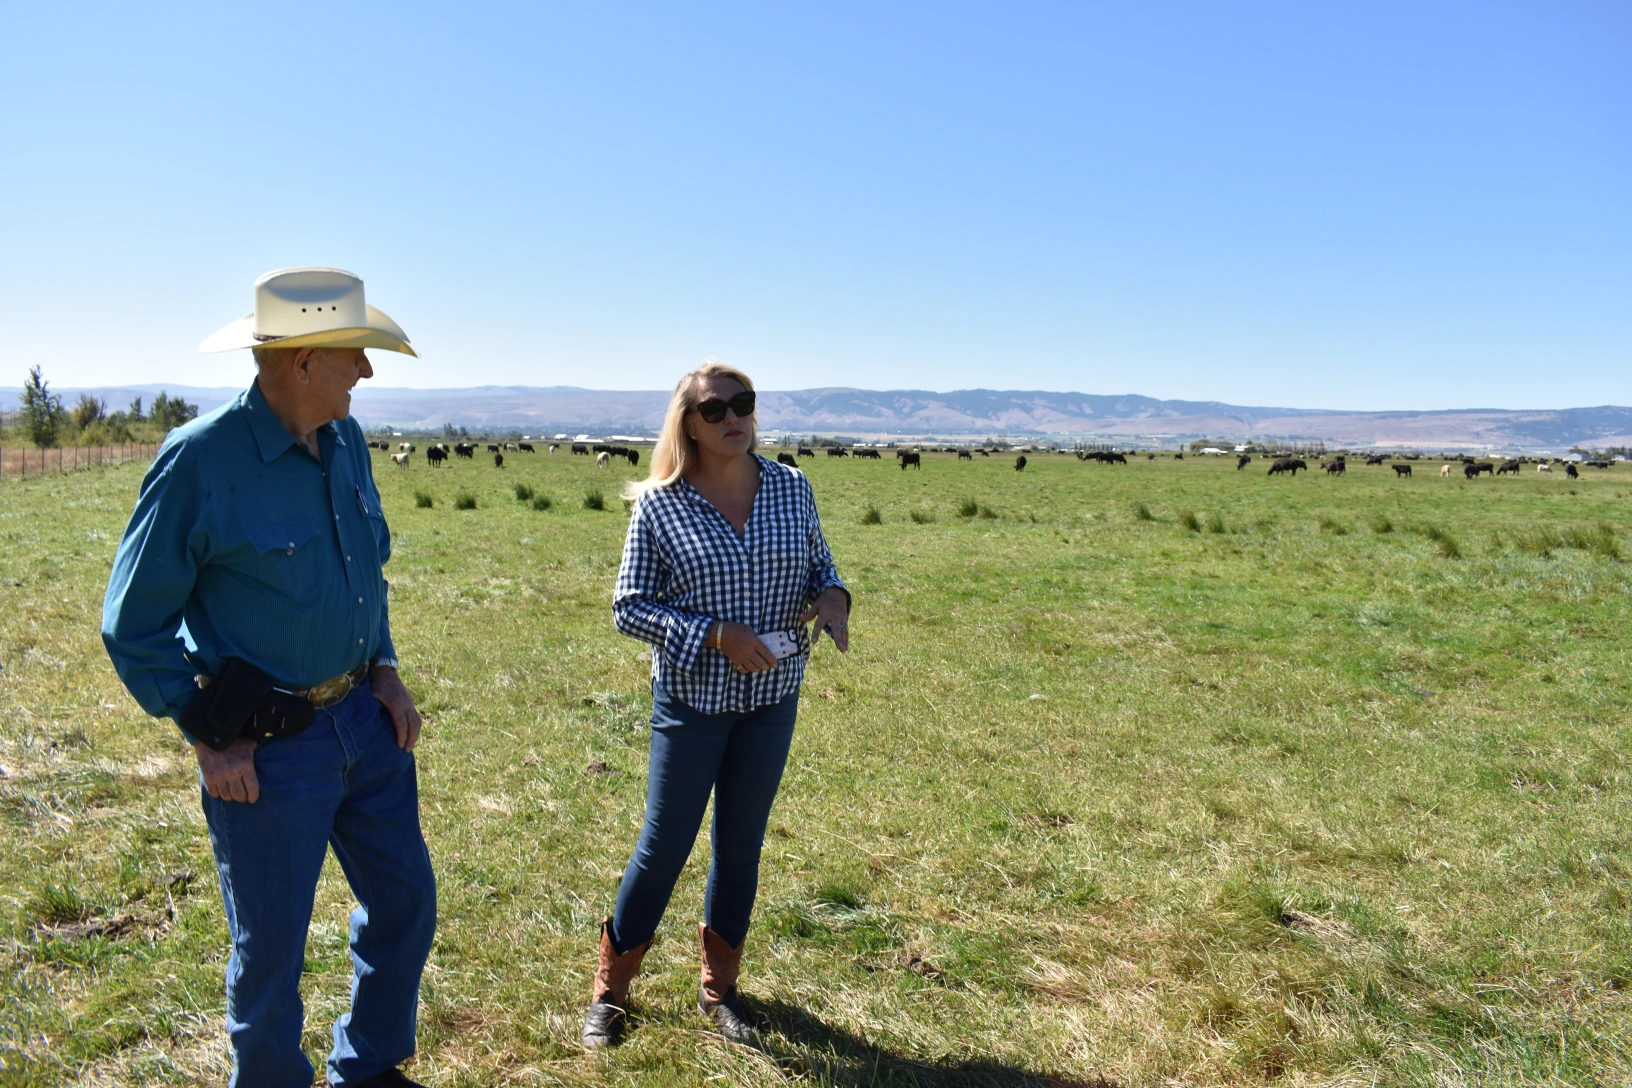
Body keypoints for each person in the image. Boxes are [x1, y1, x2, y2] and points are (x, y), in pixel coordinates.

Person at [101, 268, 436, 1088]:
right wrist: (208, 735)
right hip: (270, 750)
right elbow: (132, 622)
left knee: (405, 903)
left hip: (365, 724)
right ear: (303, 361)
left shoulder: (347, 442)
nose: (367, 370)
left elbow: (366, 574)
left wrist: (385, 668)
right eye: (355, 353)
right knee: (271, 949)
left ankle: (369, 1068)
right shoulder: (200, 461)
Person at [583, 361, 852, 1047]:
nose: (733, 417)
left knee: (740, 847)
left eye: (743, 403)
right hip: (692, 703)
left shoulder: (791, 488)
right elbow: (628, 607)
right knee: (663, 847)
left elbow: (822, 566)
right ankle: (610, 992)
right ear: (690, 425)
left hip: (772, 698)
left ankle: (720, 990)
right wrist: (715, 634)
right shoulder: (662, 504)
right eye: (714, 409)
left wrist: (833, 597)